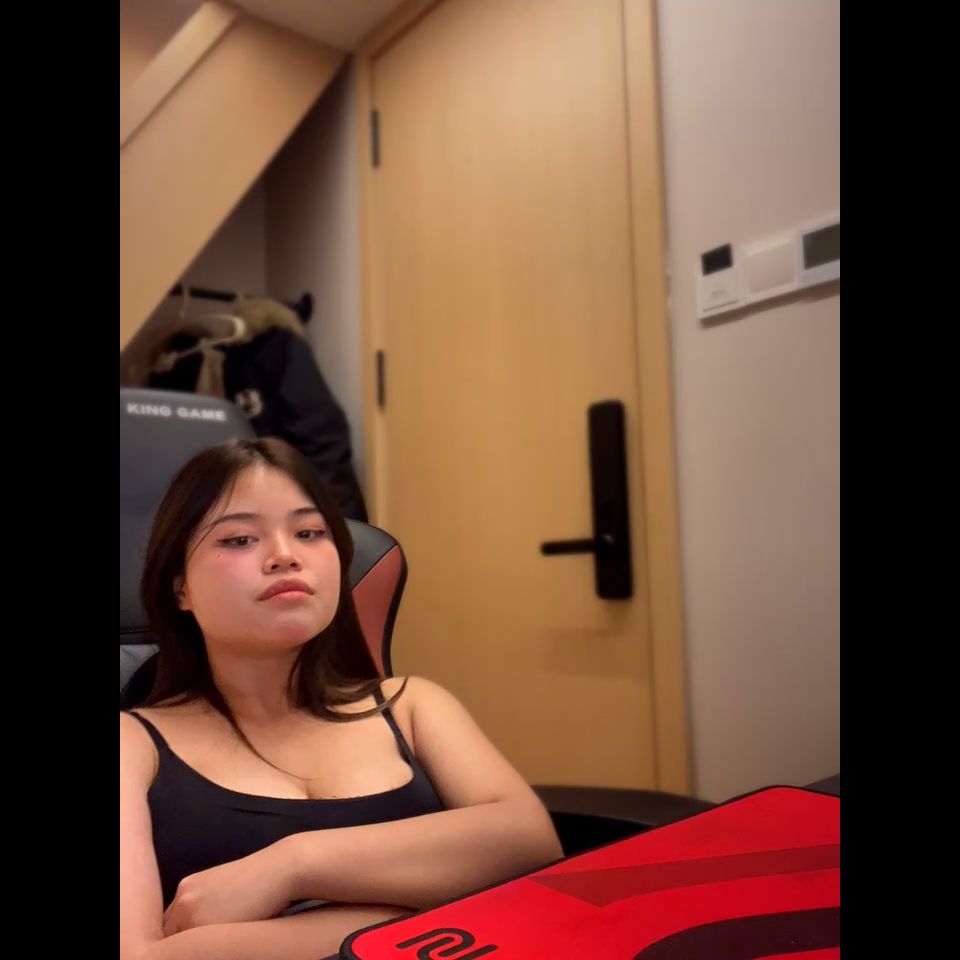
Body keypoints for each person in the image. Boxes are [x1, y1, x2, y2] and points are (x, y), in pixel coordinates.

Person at [120, 438, 563, 960]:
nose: (285, 556)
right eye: (239, 539)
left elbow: (533, 846)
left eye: (310, 533)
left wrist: (293, 865)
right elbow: (140, 955)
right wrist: (429, 910)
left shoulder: (410, 706)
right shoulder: (132, 744)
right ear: (180, 589)